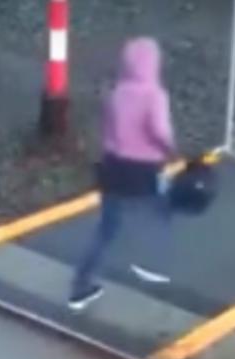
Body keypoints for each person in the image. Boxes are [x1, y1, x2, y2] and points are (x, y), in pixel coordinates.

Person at [69, 37, 177, 311]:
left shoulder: (118, 92)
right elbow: (160, 132)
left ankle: (80, 287)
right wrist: (172, 150)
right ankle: (149, 262)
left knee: (107, 229)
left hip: (113, 166)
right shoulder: (154, 95)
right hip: (143, 170)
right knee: (161, 212)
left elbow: (107, 131)